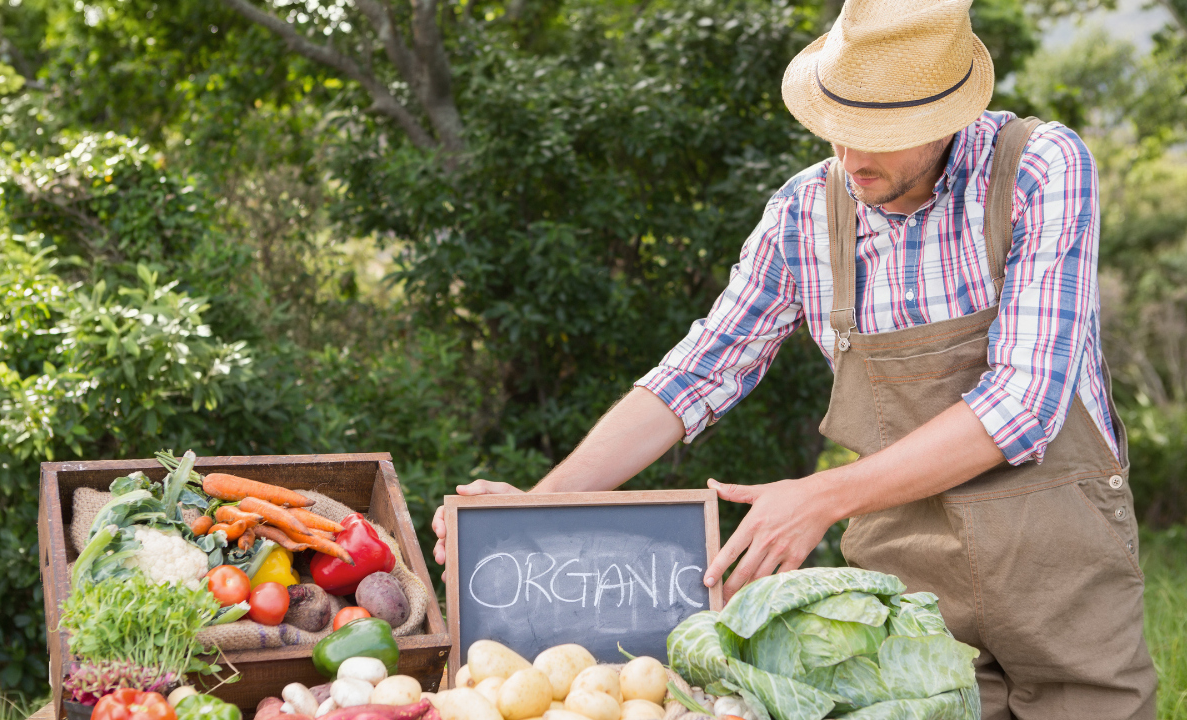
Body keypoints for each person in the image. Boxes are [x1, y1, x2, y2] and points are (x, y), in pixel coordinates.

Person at [431, 0, 1157, 716]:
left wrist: (819, 498)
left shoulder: (1039, 167)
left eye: (880, 133)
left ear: (948, 117)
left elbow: (1024, 402)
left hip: (1058, 562)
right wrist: (539, 507)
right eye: (837, 127)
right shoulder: (805, 213)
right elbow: (697, 373)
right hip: (905, 597)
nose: (851, 155)